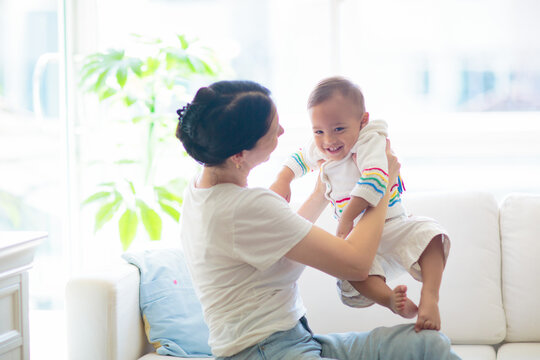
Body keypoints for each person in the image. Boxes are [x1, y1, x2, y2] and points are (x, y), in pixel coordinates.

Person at [176, 80, 460, 359]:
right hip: (263, 351)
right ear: (240, 154)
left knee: (429, 345)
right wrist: (384, 185)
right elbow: (357, 265)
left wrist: (322, 191)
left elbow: (284, 237)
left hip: (294, 339)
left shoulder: (202, 190)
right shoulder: (244, 206)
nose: (283, 131)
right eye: (274, 131)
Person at [270, 76, 451, 333]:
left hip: (391, 224)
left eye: (339, 129)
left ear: (362, 121)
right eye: (318, 131)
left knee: (431, 234)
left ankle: (430, 296)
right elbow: (300, 157)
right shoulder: (323, 145)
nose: (328, 140)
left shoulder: (369, 141)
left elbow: (377, 179)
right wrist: (284, 179)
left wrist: (346, 219)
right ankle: (388, 298)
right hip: (359, 238)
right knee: (352, 272)